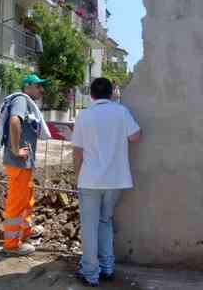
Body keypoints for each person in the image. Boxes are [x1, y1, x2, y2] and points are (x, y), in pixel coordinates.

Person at [71, 77, 141, 287]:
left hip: (90, 180)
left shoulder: (85, 115)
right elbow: (136, 137)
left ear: (91, 95)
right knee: (105, 221)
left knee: (90, 227)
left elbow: (77, 151)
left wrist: (77, 177)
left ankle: (90, 274)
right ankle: (107, 268)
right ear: (111, 93)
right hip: (116, 180)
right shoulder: (121, 111)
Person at [0, 73, 51, 256]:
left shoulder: (26, 101)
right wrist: (15, 149)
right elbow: (14, 121)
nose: (41, 89)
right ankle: (12, 244)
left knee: (27, 198)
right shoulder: (21, 99)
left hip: (23, 162)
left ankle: (26, 231)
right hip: (18, 161)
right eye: (38, 86)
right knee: (16, 201)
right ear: (28, 86)